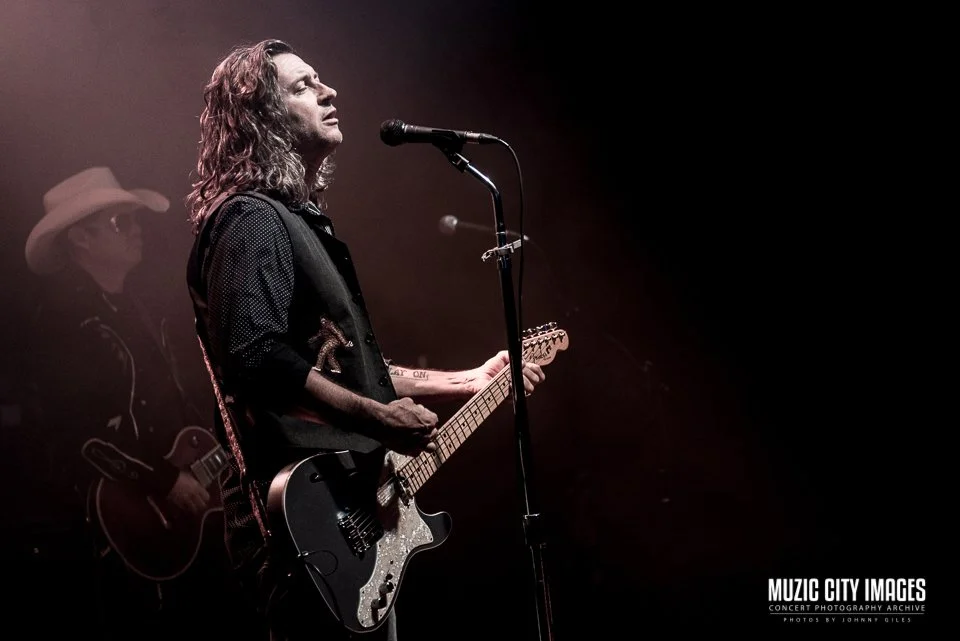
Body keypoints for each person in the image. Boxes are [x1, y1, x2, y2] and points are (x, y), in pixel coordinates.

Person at [184, 39, 546, 641]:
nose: (329, 92)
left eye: (321, 79)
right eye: (303, 86)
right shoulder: (250, 219)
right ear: (260, 117)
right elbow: (256, 359)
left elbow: (351, 370)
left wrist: (469, 381)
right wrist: (379, 419)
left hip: (345, 517)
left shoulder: (296, 223)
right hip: (299, 524)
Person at [21, 166, 263, 640]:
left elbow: (170, 410)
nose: (136, 229)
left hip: (173, 519)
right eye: (120, 221)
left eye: (134, 219)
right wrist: (164, 479)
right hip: (112, 522)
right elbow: (79, 435)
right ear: (81, 239)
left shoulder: (138, 310)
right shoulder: (61, 323)